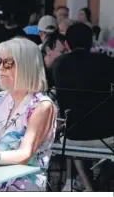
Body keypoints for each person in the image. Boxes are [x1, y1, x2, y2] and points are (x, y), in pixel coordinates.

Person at [0, 37, 57, 191]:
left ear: (26, 66)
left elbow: (24, 154)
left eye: (8, 63)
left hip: (20, 184)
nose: (1, 68)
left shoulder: (42, 105)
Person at [52, 23, 114, 191]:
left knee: (77, 129)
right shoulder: (107, 62)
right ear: (92, 42)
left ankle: (90, 188)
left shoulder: (58, 64)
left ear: (67, 44)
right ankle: (100, 184)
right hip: (106, 137)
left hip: (72, 136)